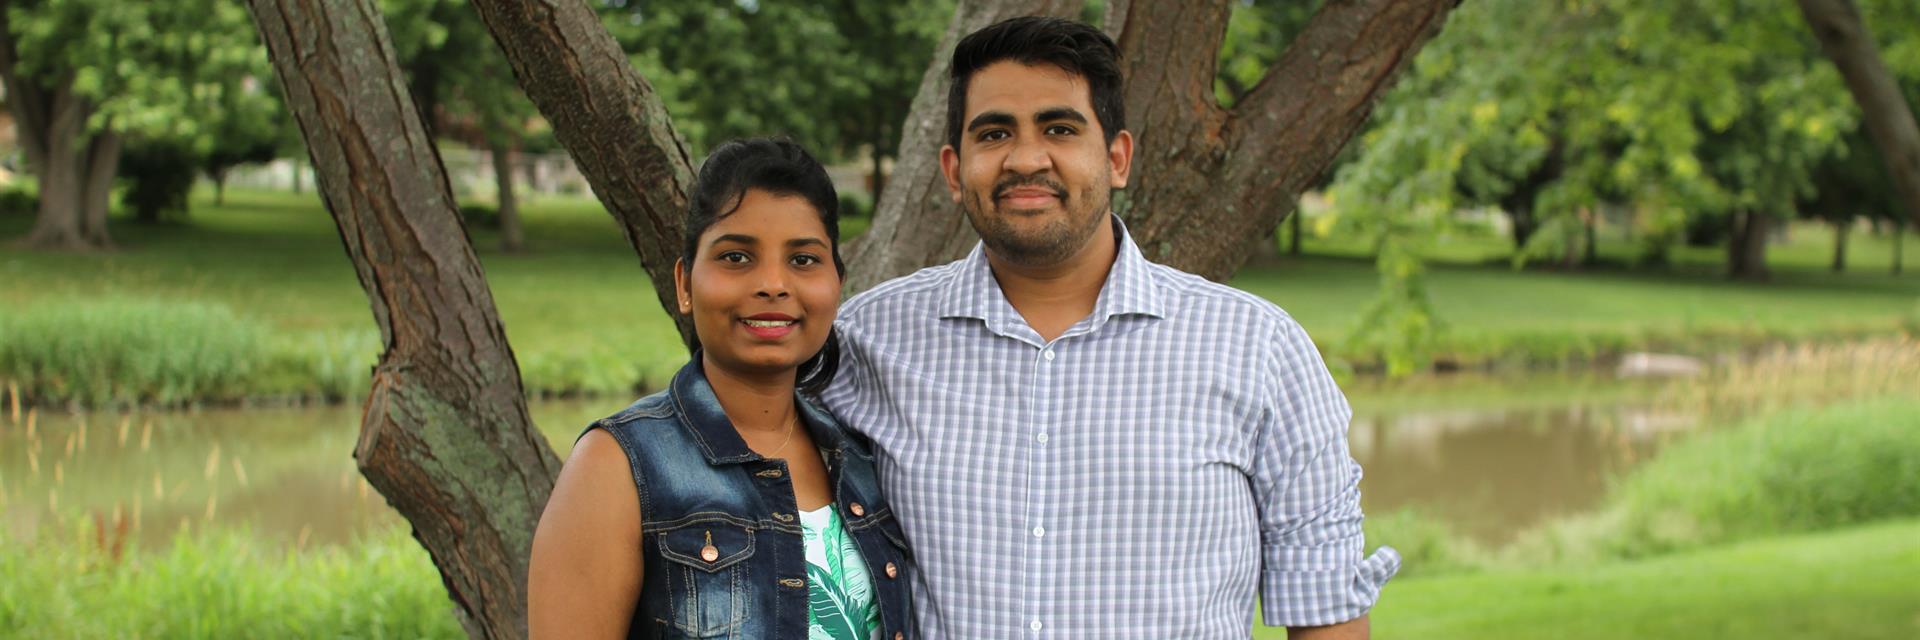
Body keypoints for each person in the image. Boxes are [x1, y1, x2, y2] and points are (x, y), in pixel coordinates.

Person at [820, 17, 1397, 639]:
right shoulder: (867, 341)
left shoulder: (1258, 349)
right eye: (994, 133)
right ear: (955, 170)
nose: (1026, 159)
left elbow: (1326, 611)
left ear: (1117, 157)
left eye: (1060, 129)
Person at [529, 138, 914, 640]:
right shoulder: (619, 466)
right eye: (736, 257)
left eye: (803, 260)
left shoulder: (859, 459)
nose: (773, 284)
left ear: (836, 284)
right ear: (685, 284)